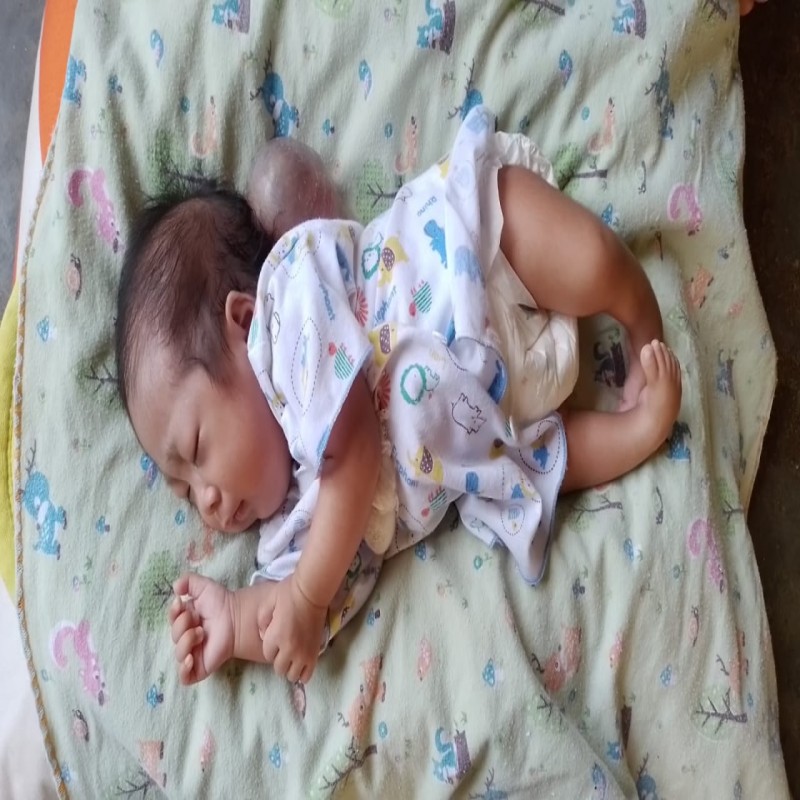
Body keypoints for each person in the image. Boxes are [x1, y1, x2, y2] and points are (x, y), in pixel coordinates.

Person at [115, 106, 681, 686]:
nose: (207, 500)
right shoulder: (295, 523)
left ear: (243, 322)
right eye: (185, 492)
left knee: (589, 259)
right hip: (497, 421)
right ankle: (641, 427)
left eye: (197, 449)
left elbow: (355, 449)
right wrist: (237, 621)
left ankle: (641, 319)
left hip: (478, 262)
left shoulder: (287, 320)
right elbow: (289, 613)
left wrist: (306, 594)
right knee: (541, 470)